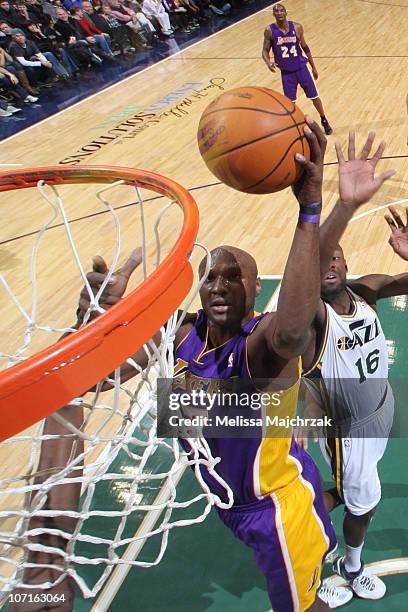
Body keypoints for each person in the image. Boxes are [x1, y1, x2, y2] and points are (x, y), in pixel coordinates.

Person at [73, 118, 355, 611]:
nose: (219, 285)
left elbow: (292, 331)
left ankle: (323, 528)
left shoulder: (261, 342)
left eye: (234, 277)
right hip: (231, 502)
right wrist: (96, 325)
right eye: (211, 277)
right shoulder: (183, 334)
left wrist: (310, 209)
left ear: (255, 292)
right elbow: (98, 379)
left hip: (275, 509)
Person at [298, 131, 401, 601]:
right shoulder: (311, 318)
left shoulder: (365, 292)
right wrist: (342, 208)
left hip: (380, 407)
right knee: (366, 501)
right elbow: (314, 255)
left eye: (336, 257)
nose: (329, 264)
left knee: (349, 492)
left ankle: (312, 516)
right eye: (322, 259)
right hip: (346, 429)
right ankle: (342, 565)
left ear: (347, 262)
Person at [262, 3, 333, 136]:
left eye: (281, 10)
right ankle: (292, 127)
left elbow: (305, 48)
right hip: (287, 73)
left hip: (301, 68)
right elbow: (264, 51)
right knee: (290, 103)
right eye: (276, 11)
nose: (279, 13)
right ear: (273, 14)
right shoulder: (270, 31)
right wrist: (268, 62)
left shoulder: (297, 27)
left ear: (286, 12)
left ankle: (324, 119)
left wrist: (314, 67)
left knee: (314, 97)